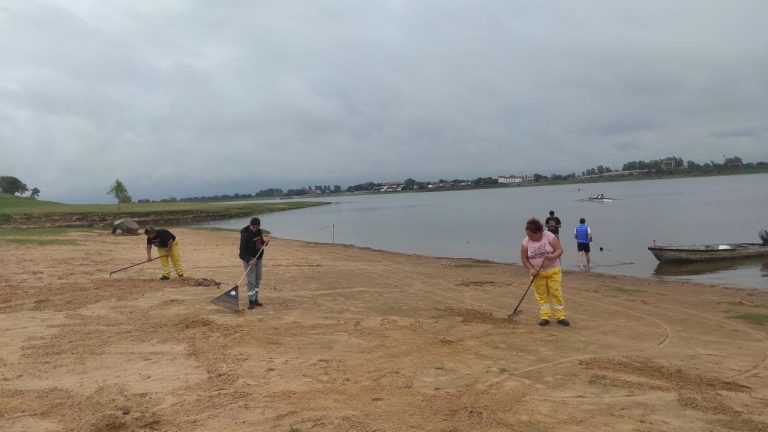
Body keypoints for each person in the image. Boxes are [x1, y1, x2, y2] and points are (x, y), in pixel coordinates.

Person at [520, 218, 569, 327]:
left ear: (539, 232)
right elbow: (524, 258)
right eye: (528, 234)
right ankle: (545, 316)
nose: (529, 237)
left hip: (553, 271)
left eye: (531, 235)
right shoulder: (526, 242)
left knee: (555, 293)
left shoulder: (549, 236)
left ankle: (560, 316)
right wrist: (531, 269)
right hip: (537, 273)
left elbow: (560, 250)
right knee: (541, 295)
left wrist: (553, 256)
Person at [239, 217, 270, 309]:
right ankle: (251, 301)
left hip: (258, 258)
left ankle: (255, 298)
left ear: (259, 226)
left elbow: (260, 243)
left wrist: (265, 242)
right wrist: (249, 260)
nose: (255, 229)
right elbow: (242, 252)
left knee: (258, 279)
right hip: (249, 260)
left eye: (256, 227)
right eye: (253, 227)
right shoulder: (245, 234)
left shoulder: (259, 231)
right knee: (251, 281)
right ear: (250, 225)